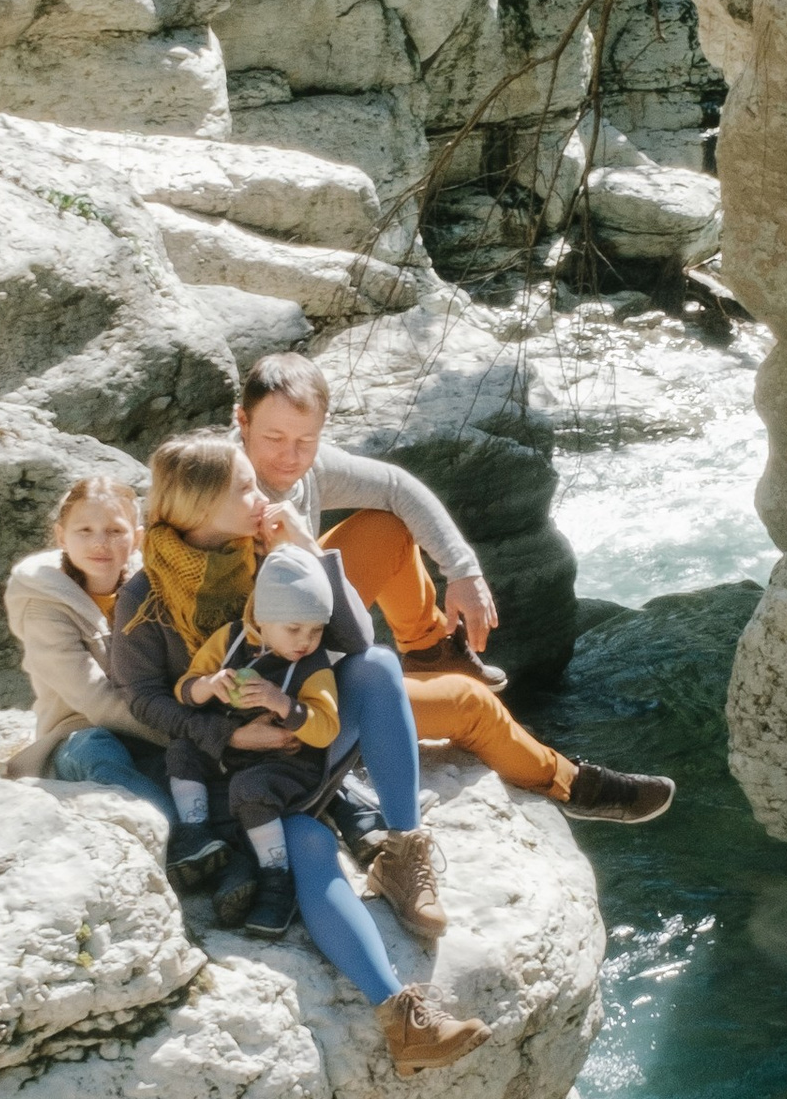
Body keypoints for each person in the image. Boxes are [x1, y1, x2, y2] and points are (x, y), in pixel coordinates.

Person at [111, 432, 491, 1076]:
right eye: (247, 488)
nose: (264, 495)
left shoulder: (266, 556)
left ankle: (402, 850)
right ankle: (403, 1021)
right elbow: (143, 700)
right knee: (310, 847)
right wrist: (226, 735)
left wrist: (302, 548)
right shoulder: (143, 595)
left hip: (307, 736)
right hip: (236, 777)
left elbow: (353, 638)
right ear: (200, 506)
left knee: (374, 667)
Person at [233, 352, 673, 835]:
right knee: (471, 705)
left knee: (385, 526)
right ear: (241, 421)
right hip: (280, 687)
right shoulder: (223, 497)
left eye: (306, 440)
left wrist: (463, 572)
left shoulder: (302, 469)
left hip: (309, 629)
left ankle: (428, 652)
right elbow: (301, 637)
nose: (290, 457)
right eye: (273, 438)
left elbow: (397, 486)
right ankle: (572, 786)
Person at [169, 543, 364, 948]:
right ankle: (197, 836)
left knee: (250, 789)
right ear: (261, 615)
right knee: (182, 751)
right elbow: (185, 688)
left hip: (288, 763)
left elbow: (326, 728)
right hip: (236, 749)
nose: (305, 641)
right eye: (293, 629)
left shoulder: (312, 665)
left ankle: (277, 880)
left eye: (315, 631)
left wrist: (284, 704)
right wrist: (208, 686)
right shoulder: (230, 641)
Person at [3, 476, 204, 856]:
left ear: (138, 538)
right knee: (97, 750)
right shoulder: (42, 602)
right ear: (61, 536)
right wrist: (188, 733)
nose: (100, 543)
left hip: (153, 724)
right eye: (85, 530)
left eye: (115, 530)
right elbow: (95, 699)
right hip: (79, 732)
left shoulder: (150, 587)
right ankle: (183, 841)